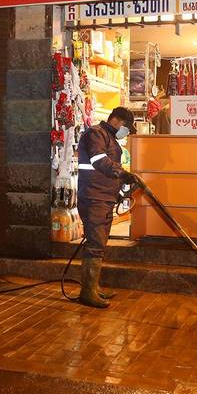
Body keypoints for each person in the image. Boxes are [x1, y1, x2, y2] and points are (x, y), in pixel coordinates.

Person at [76, 106, 138, 308]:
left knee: (99, 244)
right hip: (94, 197)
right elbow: (99, 160)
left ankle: (92, 287)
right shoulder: (96, 133)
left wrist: (118, 191)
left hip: (103, 198)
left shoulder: (109, 138)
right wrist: (122, 174)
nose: (126, 133)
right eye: (127, 128)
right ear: (117, 121)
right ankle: (88, 292)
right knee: (95, 245)